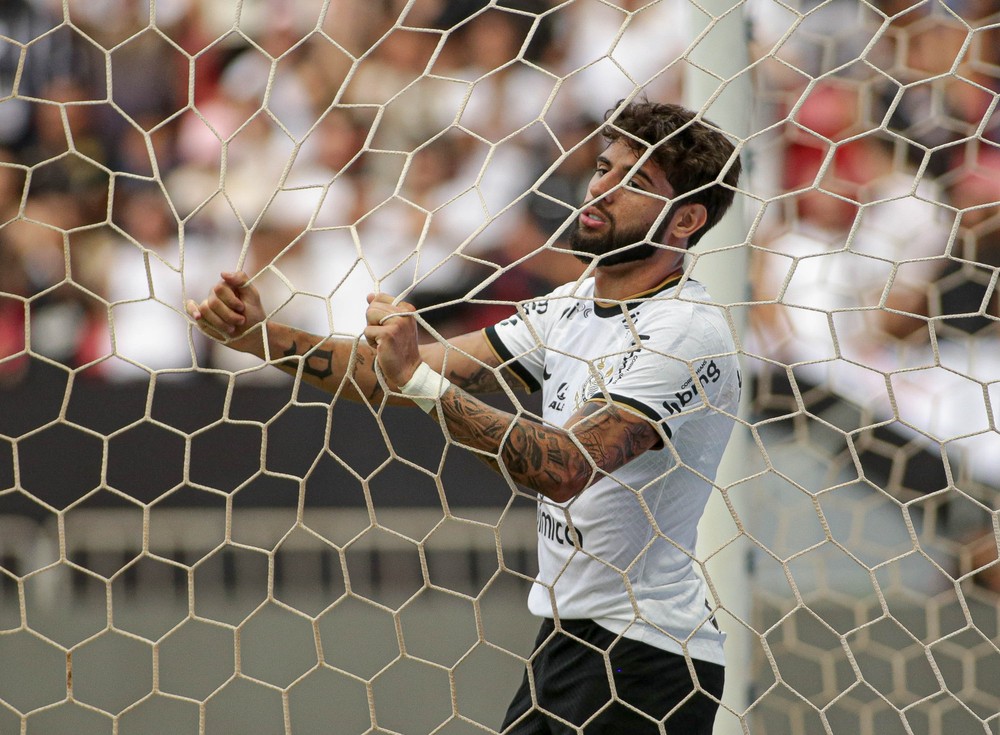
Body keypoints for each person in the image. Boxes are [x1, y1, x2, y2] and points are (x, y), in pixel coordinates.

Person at [187, 98, 742, 734]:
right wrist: (261, 337)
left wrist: (418, 380)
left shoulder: (683, 334)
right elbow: (398, 375)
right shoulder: (573, 305)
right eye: (604, 167)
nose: (602, 188)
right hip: (585, 641)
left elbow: (563, 467)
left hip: (644, 658)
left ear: (686, 220)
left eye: (635, 182)